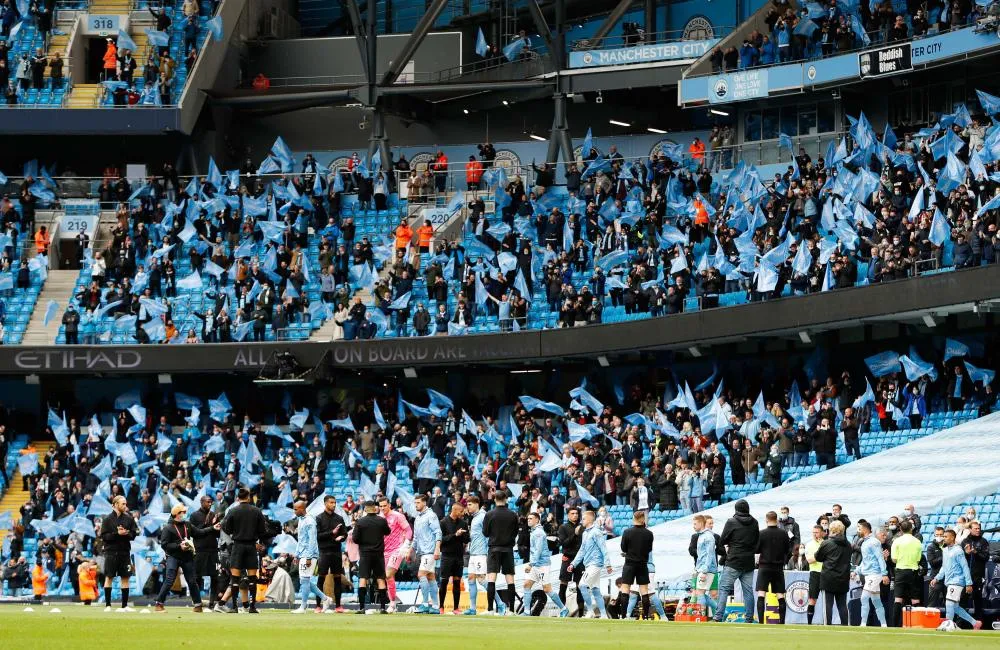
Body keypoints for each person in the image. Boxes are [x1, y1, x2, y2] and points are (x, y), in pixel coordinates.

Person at [221, 487, 268, 614]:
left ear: (238, 498)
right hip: (251, 546)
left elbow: (225, 527)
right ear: (248, 497)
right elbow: (263, 531)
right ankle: (252, 607)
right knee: (252, 578)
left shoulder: (232, 511)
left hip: (237, 546)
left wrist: (235, 532)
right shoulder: (257, 511)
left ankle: (235, 607)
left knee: (235, 579)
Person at [712, 499, 759, 623]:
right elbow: (756, 542)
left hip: (733, 560)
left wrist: (730, 544)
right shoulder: (755, 522)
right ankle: (749, 618)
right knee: (748, 592)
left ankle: (718, 617)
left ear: (736, 509)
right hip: (749, 561)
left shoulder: (731, 521)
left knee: (724, 589)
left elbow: (722, 540)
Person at [154, 504, 207, 612]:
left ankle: (198, 605)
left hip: (187, 557)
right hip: (173, 556)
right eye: (183, 512)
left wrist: (212, 528)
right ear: (177, 514)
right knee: (169, 580)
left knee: (192, 581)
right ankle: (159, 604)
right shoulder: (168, 528)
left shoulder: (187, 524)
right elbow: (164, 545)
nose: (185, 514)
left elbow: (199, 532)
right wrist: (179, 546)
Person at [930, 528, 982, 630]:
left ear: (953, 537)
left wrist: (968, 583)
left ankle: (948, 624)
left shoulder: (958, 551)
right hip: (949, 581)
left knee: (949, 603)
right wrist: (936, 578)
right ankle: (975, 623)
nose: (944, 538)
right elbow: (944, 567)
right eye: (943, 536)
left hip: (957, 581)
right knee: (955, 607)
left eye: (946, 536)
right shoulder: (945, 550)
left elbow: (965, 567)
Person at [290, 499, 335, 613]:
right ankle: (325, 599)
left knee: (304, 580)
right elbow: (301, 540)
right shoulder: (301, 519)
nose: (294, 511)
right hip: (303, 553)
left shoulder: (309, 521)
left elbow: (312, 540)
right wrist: (297, 554)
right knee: (304, 581)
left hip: (309, 554)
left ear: (302, 509)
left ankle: (303, 607)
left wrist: (309, 557)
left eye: (296, 509)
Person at [568, 508, 611, 619]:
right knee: (595, 590)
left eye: (583, 518)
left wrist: (608, 564)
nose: (581, 520)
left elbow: (603, 548)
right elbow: (582, 550)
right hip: (589, 564)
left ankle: (590, 611)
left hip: (595, 563)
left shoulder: (596, 532)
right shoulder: (585, 533)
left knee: (582, 585)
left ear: (590, 520)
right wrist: (573, 564)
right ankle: (603, 614)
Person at [523, 511, 568, 617]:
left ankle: (563, 608)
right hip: (536, 564)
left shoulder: (538, 533)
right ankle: (526, 611)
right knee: (526, 585)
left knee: (547, 589)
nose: (528, 520)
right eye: (528, 518)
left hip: (542, 565)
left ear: (537, 520)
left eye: (531, 518)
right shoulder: (534, 531)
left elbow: (538, 550)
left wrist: (531, 564)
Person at [100, 495, 139, 612]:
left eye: (126, 504)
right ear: (116, 504)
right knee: (109, 577)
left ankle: (125, 606)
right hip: (110, 552)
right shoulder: (107, 519)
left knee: (125, 577)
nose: (125, 506)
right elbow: (104, 536)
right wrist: (117, 534)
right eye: (123, 504)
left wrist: (126, 533)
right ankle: (108, 605)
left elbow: (134, 534)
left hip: (125, 552)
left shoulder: (129, 519)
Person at [483, 491, 519, 615]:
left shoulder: (489, 514)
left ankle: (490, 610)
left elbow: (485, 533)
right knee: (510, 580)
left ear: (494, 499)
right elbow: (515, 532)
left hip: (494, 549)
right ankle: (512, 610)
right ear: (506, 499)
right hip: (508, 549)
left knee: (491, 579)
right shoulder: (513, 514)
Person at [352, 500, 391, 614]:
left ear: (365, 509)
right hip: (378, 554)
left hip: (365, 554)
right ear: (375, 508)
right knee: (380, 579)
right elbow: (388, 532)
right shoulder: (381, 521)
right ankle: (383, 608)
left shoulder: (360, 522)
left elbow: (355, 539)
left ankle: (361, 607)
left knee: (363, 579)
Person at [755, 510, 792, 624]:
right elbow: (789, 550)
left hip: (764, 567)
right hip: (778, 567)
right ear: (776, 520)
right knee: (780, 595)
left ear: (766, 520)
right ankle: (782, 622)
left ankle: (761, 622)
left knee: (761, 594)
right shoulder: (783, 533)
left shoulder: (761, 533)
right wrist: (783, 561)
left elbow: (756, 549)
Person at [616, 510, 653, 619]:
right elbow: (649, 549)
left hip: (629, 564)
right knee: (644, 591)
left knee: (625, 589)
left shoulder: (627, 532)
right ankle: (646, 616)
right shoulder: (649, 533)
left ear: (634, 519)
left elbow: (623, 548)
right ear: (643, 519)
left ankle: (623, 616)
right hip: (642, 564)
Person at [377, 495, 412, 612]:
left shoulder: (398, 516)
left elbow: (408, 530)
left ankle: (392, 603)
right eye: (380, 506)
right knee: (388, 578)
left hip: (397, 549)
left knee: (388, 574)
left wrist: (406, 545)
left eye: (384, 506)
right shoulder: (379, 518)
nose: (382, 508)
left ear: (389, 505)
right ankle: (393, 602)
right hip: (384, 551)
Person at [315, 495, 348, 613]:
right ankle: (318, 606)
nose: (333, 505)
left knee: (338, 579)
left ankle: (338, 606)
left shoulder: (339, 518)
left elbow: (345, 533)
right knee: (321, 578)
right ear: (325, 503)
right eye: (331, 503)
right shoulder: (318, 518)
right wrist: (331, 533)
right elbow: (317, 536)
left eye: (335, 502)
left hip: (336, 552)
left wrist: (341, 537)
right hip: (324, 552)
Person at [814, 520, 851, 626]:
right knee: (842, 605)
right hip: (843, 578)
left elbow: (818, 557)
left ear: (831, 530)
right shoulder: (848, 544)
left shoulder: (827, 543)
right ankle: (845, 626)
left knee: (827, 605)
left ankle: (827, 626)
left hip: (828, 578)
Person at [189, 495, 221, 610]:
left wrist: (217, 526)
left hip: (213, 550)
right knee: (197, 577)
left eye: (211, 502)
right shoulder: (194, 516)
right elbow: (194, 533)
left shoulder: (214, 515)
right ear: (201, 502)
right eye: (208, 502)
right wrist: (209, 525)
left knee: (215, 577)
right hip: (199, 551)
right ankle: (197, 602)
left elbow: (218, 534)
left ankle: (213, 603)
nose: (210, 504)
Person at [412, 493, 443, 613]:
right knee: (430, 577)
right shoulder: (418, 517)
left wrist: (437, 548)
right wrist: (411, 550)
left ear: (424, 503)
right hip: (423, 552)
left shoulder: (431, 515)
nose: (416, 505)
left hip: (430, 551)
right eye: (415, 503)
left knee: (421, 574)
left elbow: (438, 532)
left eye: (418, 502)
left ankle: (425, 603)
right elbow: (415, 537)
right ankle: (435, 606)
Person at [889, 518, 922, 626]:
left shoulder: (896, 541)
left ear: (901, 529)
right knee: (915, 599)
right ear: (911, 529)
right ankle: (917, 623)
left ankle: (894, 625)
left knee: (898, 599)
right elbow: (918, 559)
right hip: (913, 571)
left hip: (900, 571)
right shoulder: (917, 542)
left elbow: (893, 559)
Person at [855, 520, 888, 627]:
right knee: (876, 601)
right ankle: (884, 624)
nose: (858, 530)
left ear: (865, 529)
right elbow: (866, 561)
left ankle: (863, 623)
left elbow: (880, 558)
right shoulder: (865, 542)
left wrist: (884, 573)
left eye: (859, 528)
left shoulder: (873, 542)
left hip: (874, 574)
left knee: (864, 598)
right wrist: (856, 571)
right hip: (870, 574)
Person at [463, 495, 490, 615]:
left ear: (476, 504)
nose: (467, 507)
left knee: (481, 580)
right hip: (473, 553)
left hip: (481, 553)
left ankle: (500, 604)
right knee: (471, 579)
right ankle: (473, 608)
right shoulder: (474, 518)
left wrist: (488, 552)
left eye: (469, 505)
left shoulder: (484, 516)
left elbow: (489, 535)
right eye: (467, 505)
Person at [438, 502, 467, 615]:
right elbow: (441, 539)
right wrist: (455, 535)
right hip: (446, 555)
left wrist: (465, 536)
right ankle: (441, 607)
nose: (462, 513)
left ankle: (456, 607)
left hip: (459, 556)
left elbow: (466, 539)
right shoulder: (443, 522)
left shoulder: (463, 523)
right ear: (454, 510)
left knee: (457, 582)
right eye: (460, 511)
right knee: (444, 581)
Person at [557, 506, 585, 616]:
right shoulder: (563, 527)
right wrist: (575, 534)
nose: (575, 515)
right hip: (568, 559)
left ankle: (582, 613)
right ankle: (562, 610)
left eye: (576, 513)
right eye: (572, 513)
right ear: (568, 515)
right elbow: (564, 543)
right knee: (563, 585)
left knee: (580, 586)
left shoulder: (583, 527)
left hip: (580, 560)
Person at [692, 514, 718, 616]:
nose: (693, 526)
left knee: (700, 592)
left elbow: (709, 554)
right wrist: (697, 569)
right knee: (699, 592)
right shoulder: (702, 535)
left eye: (695, 524)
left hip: (707, 569)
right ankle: (721, 611)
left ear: (701, 523)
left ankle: (700, 615)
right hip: (702, 568)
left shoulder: (708, 537)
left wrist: (704, 570)